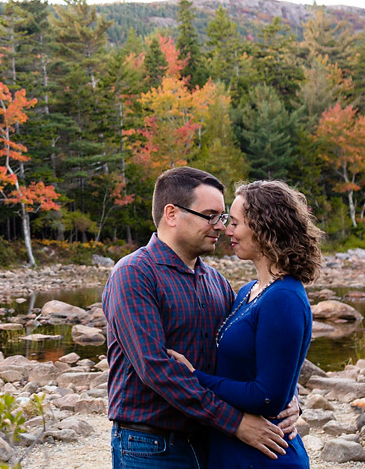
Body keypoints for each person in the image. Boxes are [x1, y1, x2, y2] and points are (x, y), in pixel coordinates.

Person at [103, 167, 299, 469]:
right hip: (151, 446)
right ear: (172, 214)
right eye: (211, 215)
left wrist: (289, 399)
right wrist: (236, 423)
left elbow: (250, 353)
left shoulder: (216, 281)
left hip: (211, 440)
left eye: (224, 217)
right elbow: (156, 369)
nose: (221, 227)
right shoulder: (134, 273)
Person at [168, 180, 321, 468]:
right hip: (234, 451)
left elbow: (267, 397)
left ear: (264, 228)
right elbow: (269, 368)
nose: (227, 231)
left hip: (264, 455)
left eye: (235, 223)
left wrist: (194, 376)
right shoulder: (247, 291)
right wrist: (290, 393)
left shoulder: (284, 297)